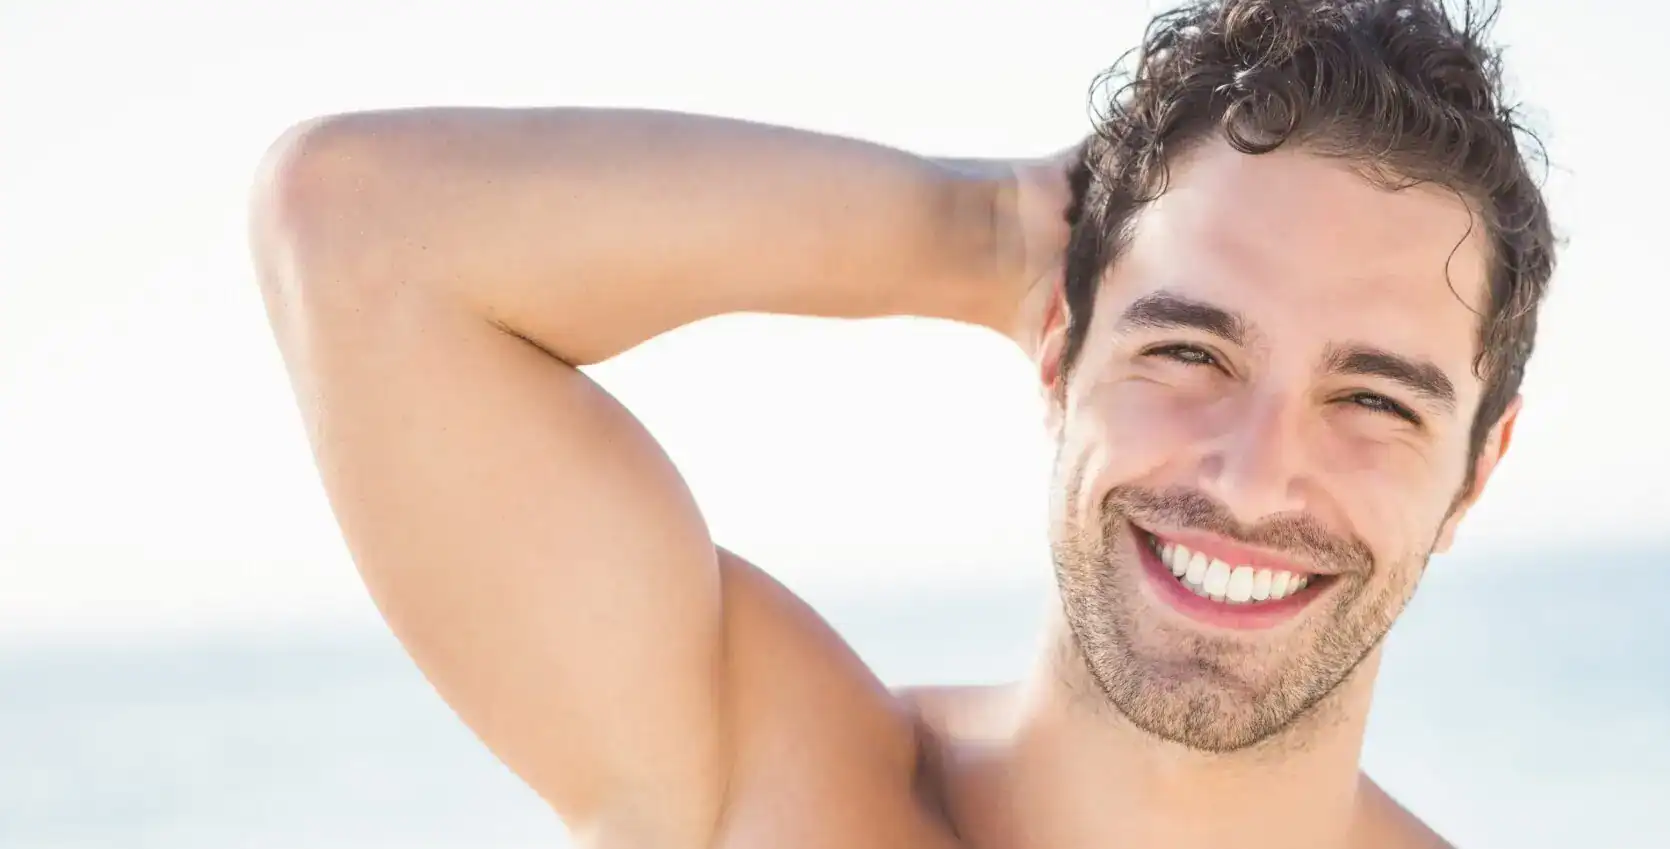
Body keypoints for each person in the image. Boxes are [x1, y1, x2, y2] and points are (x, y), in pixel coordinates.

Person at [248, 0, 1556, 845]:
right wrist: (980, 231)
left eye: (1373, 399)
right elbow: (361, 229)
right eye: (1190, 347)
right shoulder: (771, 785)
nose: (1258, 473)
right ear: (1059, 346)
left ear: (1472, 474)